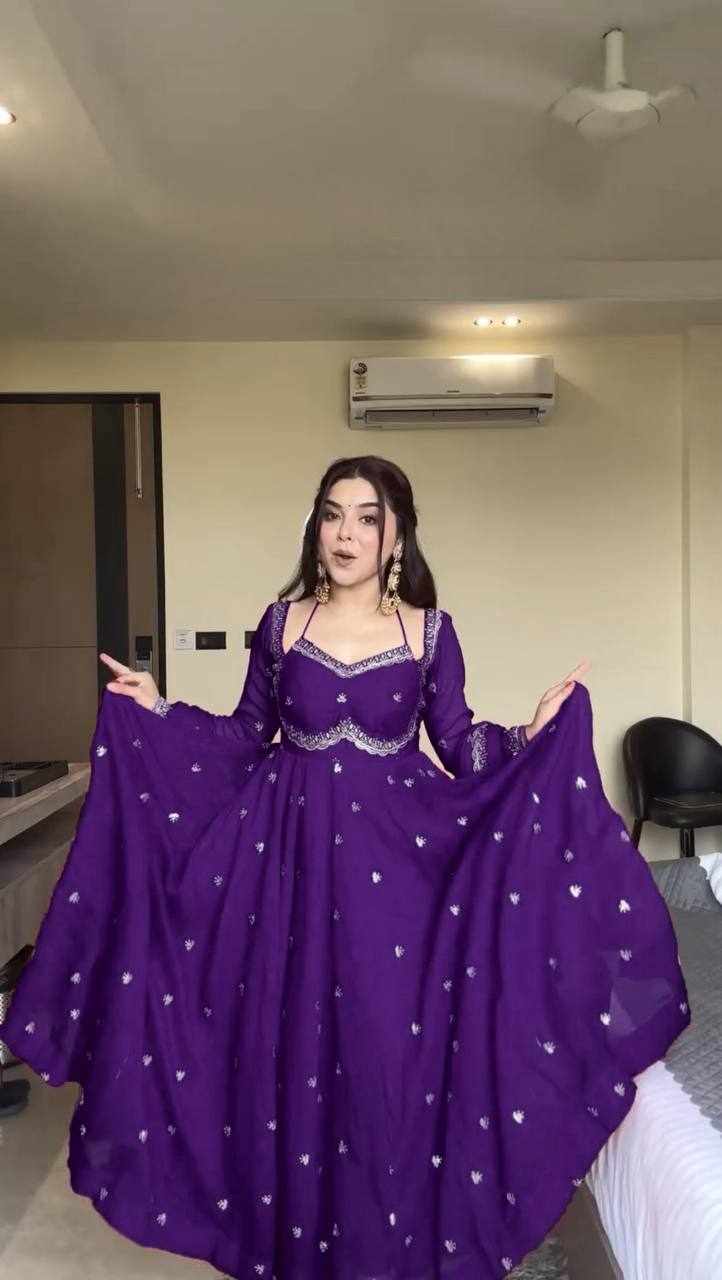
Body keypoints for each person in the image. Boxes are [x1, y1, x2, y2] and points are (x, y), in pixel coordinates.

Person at [1, 454, 690, 1280]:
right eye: (332, 514)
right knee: (287, 1058)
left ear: (396, 537)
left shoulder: (428, 633)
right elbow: (242, 735)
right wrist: (157, 708)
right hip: (283, 875)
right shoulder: (281, 624)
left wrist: (528, 736)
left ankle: (379, 1248)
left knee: (380, 1059)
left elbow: (460, 742)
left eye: (367, 518)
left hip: (395, 881)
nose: (346, 533)